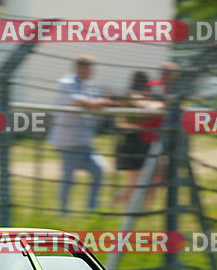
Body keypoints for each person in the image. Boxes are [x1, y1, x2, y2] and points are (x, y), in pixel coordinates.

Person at [49, 55, 114, 214]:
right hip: (68, 141)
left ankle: (91, 208)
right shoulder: (66, 83)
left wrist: (100, 103)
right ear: (80, 68)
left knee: (98, 169)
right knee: (69, 178)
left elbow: (94, 106)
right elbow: (80, 102)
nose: (92, 71)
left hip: (84, 141)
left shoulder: (87, 86)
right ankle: (63, 212)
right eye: (89, 68)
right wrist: (99, 102)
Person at [113, 70, 165, 208]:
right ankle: (114, 207)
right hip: (131, 142)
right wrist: (161, 105)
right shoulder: (132, 95)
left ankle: (143, 209)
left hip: (140, 141)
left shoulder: (143, 96)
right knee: (134, 186)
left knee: (153, 178)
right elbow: (145, 107)